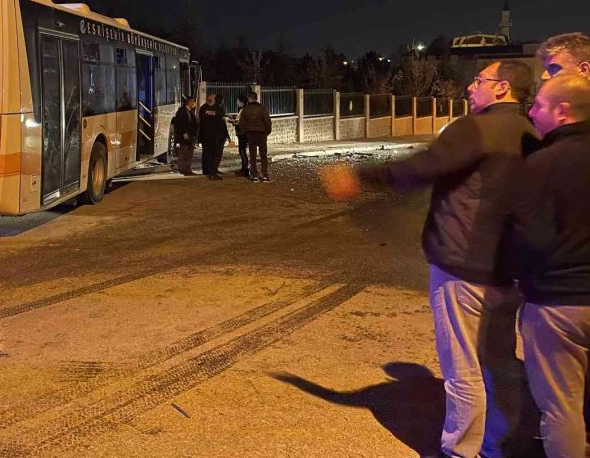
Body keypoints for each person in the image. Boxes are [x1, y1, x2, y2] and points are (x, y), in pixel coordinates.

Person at [320, 60, 538, 458]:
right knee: (501, 364)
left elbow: (420, 168)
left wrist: (360, 178)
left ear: (503, 87)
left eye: (479, 80)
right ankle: (498, 445)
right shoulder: (529, 134)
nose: (470, 87)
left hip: (462, 264)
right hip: (508, 271)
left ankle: (460, 449)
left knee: (463, 368)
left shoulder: (476, 128)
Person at [512, 75, 590, 457]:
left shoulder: (540, 165)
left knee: (562, 410)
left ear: (563, 111)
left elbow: (524, 239)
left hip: (557, 305)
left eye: (538, 106)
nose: (530, 112)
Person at [239, 91, 272, 182]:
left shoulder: (246, 109)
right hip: (261, 134)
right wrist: (267, 132)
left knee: (252, 155)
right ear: (256, 98)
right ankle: (264, 175)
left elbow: (241, 123)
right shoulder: (262, 108)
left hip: (250, 134)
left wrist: (245, 132)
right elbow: (267, 121)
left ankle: (254, 175)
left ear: (249, 99)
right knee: (263, 155)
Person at [198, 92, 229, 180]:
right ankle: (212, 172)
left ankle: (209, 171)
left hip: (206, 135)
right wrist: (226, 135)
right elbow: (222, 123)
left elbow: (202, 122)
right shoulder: (218, 109)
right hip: (216, 136)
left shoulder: (203, 108)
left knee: (207, 154)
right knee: (214, 154)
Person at [173, 96, 198, 176]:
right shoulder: (182, 112)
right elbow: (180, 124)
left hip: (191, 136)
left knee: (189, 153)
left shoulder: (190, 111)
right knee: (184, 152)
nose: (194, 104)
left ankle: (187, 168)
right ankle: (183, 169)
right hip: (185, 136)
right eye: (193, 102)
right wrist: (184, 133)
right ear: (190, 102)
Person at [231, 94, 250, 178]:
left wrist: (232, 121)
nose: (237, 102)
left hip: (242, 134)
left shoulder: (244, 110)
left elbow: (240, 122)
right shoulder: (242, 110)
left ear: (242, 102)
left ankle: (245, 170)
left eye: (238, 101)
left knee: (242, 151)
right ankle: (244, 169)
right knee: (242, 151)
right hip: (242, 134)